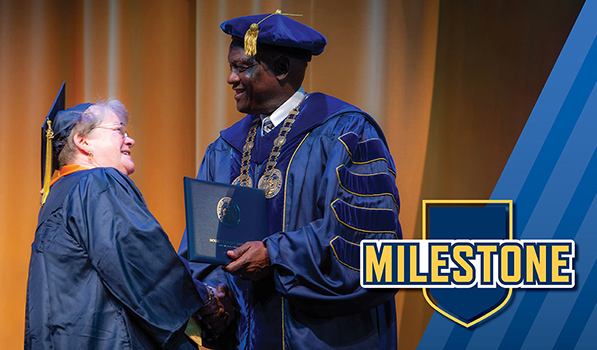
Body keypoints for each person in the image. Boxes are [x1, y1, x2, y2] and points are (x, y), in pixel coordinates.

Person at [178, 11, 401, 349]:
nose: (230, 78)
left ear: (281, 68)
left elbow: (368, 242)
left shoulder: (346, 133)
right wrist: (215, 296)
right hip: (248, 338)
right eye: (231, 66)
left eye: (242, 67)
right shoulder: (224, 150)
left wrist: (276, 255)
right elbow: (205, 247)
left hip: (325, 337)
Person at [25, 84, 231, 349]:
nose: (130, 140)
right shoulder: (96, 182)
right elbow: (144, 260)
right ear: (83, 141)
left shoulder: (59, 194)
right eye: (118, 131)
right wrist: (206, 297)